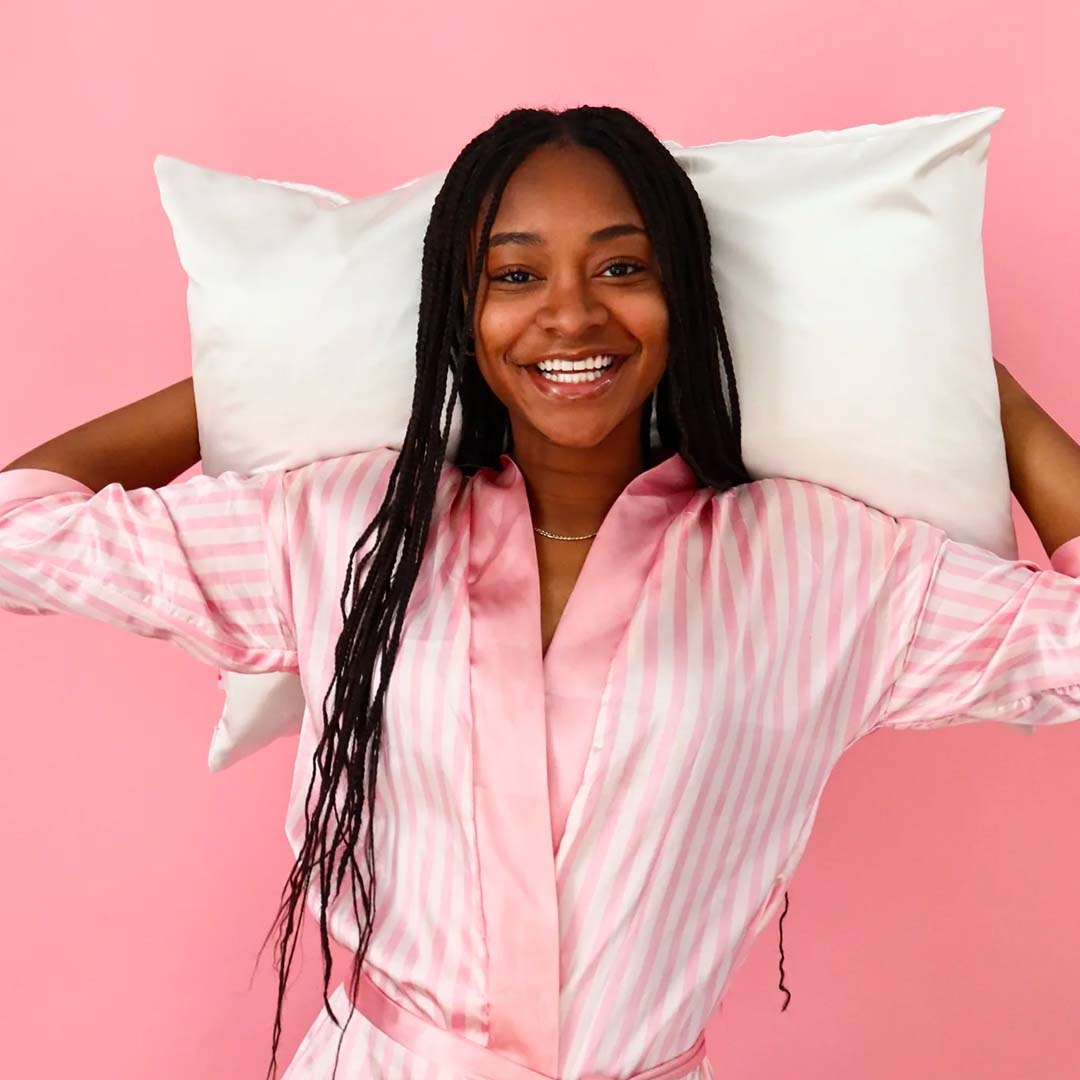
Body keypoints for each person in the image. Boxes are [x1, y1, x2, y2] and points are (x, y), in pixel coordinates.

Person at [2, 105, 1080, 1080]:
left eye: (622, 267)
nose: (571, 315)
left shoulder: (819, 563)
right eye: (514, 277)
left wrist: (985, 395)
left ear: (684, 294)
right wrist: (257, 379)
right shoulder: (347, 527)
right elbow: (19, 532)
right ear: (458, 314)